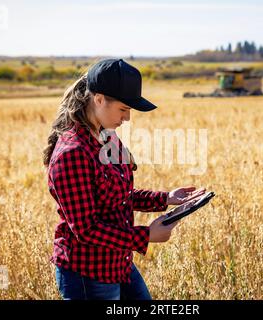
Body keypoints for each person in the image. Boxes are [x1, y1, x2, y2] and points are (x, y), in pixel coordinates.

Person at [43, 58, 206, 300]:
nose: (127, 118)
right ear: (98, 99)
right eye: (123, 109)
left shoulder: (107, 137)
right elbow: (86, 230)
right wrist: (146, 236)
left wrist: (167, 198)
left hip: (118, 263)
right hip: (88, 274)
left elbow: (118, 197)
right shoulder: (72, 154)